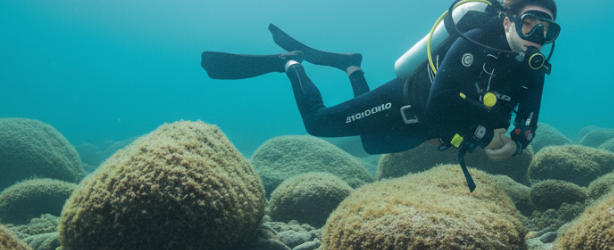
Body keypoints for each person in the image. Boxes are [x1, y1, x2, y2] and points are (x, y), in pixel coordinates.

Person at [201, 0, 559, 191]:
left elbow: (528, 120)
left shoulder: (533, 66)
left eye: (548, 29)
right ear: (510, 21)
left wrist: (517, 143)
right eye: (531, 23)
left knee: (367, 140)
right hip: (405, 102)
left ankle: (351, 66)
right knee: (319, 124)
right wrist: (483, 136)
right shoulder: (473, 43)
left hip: (423, 132)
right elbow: (439, 106)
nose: (538, 35)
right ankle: (291, 65)